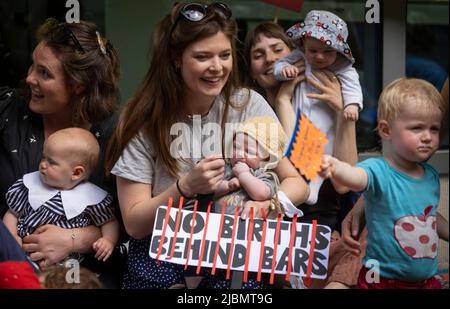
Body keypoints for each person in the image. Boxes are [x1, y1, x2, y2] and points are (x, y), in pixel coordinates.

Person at [106, 2, 309, 289]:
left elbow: (297, 183)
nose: (217, 67)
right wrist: (185, 187)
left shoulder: (248, 104)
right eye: (202, 56)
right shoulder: (144, 120)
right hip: (163, 256)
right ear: (176, 59)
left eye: (225, 55)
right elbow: (135, 224)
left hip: (233, 249)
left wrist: (267, 205)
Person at [0, 19, 123, 286]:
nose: (29, 77)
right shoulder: (7, 114)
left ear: (78, 85)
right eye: (33, 65)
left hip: (91, 279)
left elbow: (133, 226)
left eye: (45, 73)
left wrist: (76, 239)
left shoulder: (117, 136)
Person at [244, 21, 360, 288]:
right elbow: (295, 160)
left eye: (277, 49)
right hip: (267, 236)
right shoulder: (249, 112)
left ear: (298, 54)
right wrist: (283, 99)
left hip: (319, 232)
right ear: (250, 70)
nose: (270, 59)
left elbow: (345, 183)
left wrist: (343, 113)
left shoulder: (323, 97)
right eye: (258, 55)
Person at [320, 78, 449, 288]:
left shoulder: (431, 176)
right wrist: (336, 168)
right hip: (380, 279)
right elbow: (356, 178)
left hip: (425, 280)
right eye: (417, 128)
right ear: (386, 130)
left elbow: (430, 217)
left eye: (434, 129)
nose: (428, 137)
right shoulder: (379, 169)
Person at [273, 10, 363, 205]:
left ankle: (312, 188)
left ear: (338, 51)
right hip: (301, 117)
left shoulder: (342, 67)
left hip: (327, 124)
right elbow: (280, 66)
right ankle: (304, 189)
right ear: (303, 43)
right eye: (313, 50)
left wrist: (352, 105)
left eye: (328, 52)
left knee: (323, 156)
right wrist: (284, 71)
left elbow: (353, 86)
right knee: (295, 149)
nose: (320, 57)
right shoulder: (300, 57)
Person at [3, 128, 119, 265]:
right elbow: (12, 213)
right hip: (23, 256)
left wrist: (108, 240)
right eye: (43, 157)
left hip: (68, 265)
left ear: (76, 173)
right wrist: (12, 236)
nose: (42, 165)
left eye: (51, 162)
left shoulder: (91, 198)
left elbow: (109, 222)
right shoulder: (29, 186)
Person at [214, 116, 288, 218]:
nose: (239, 154)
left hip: (251, 227)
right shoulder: (226, 168)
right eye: (236, 147)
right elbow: (211, 190)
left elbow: (262, 193)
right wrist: (226, 186)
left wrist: (244, 174)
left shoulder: (266, 175)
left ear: (266, 159)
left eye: (249, 151)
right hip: (216, 223)